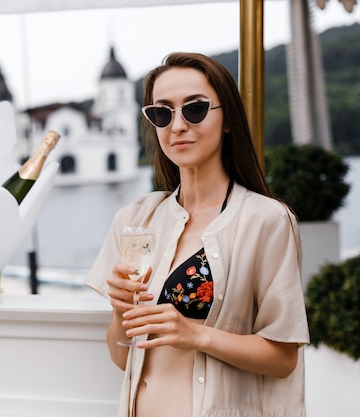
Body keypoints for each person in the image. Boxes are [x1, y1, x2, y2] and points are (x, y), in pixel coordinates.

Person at [84, 52, 309, 417]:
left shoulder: (266, 220)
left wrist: (196, 335)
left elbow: (283, 358)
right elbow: (123, 357)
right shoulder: (136, 219)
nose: (177, 126)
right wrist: (119, 311)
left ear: (228, 120)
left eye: (195, 109)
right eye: (162, 113)